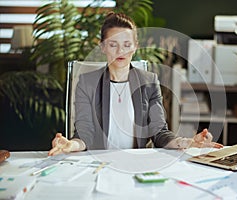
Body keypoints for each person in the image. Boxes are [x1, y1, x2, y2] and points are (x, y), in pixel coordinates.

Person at [48, 12, 223, 156]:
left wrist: (188, 142)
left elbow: (159, 132)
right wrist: (71, 145)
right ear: (102, 47)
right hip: (97, 163)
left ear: (135, 47)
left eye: (126, 44)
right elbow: (85, 133)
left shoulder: (149, 81)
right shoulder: (88, 83)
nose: (120, 51)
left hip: (135, 163)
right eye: (113, 44)